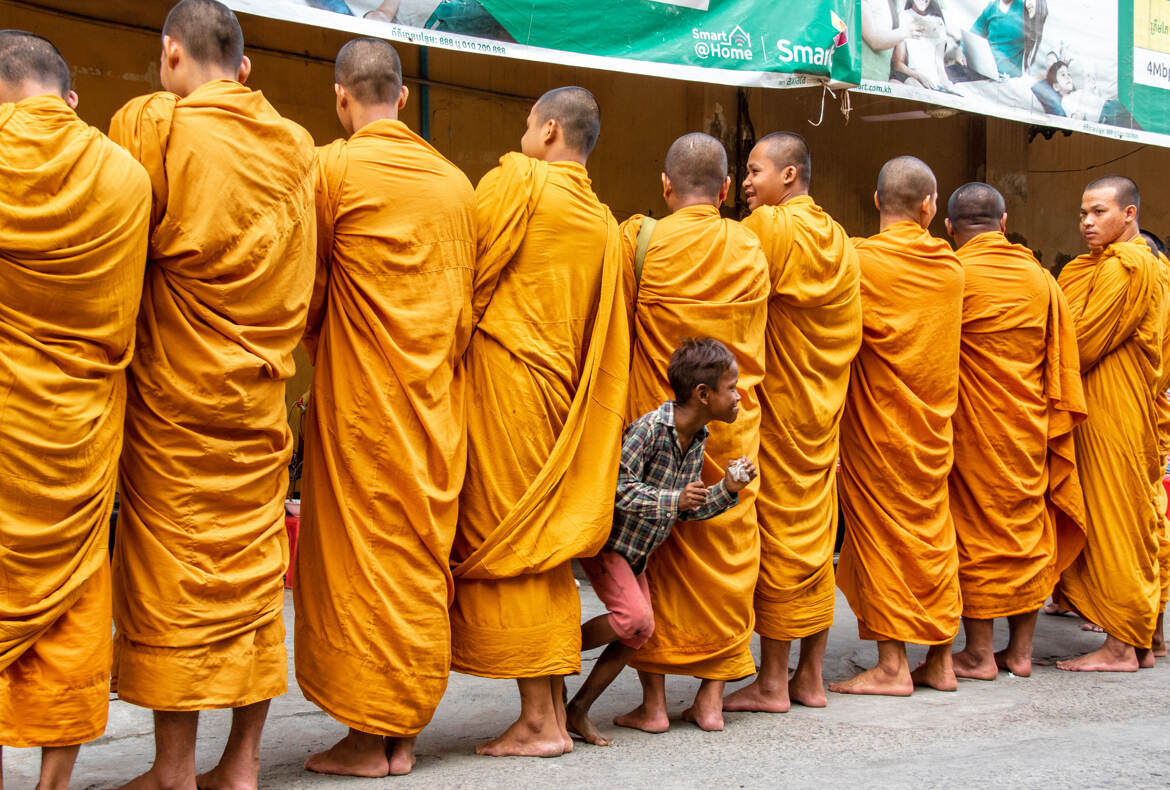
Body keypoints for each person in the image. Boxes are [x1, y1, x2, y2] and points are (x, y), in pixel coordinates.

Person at [107, 1, 317, 787]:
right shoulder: (299, 145)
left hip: (177, 398)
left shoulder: (158, 127)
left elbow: (118, 248)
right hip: (260, 397)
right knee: (256, 575)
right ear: (245, 66)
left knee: (177, 580)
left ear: (171, 55)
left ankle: (172, 768)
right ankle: (243, 764)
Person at [292, 39, 475, 778]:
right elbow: (463, 311)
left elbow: (306, 287)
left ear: (342, 98)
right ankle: (402, 735)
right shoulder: (456, 184)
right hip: (434, 405)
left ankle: (369, 742)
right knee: (414, 561)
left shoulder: (330, 169)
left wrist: (329, 346)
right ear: (402, 98)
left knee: (363, 565)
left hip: (362, 405)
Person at [449, 86, 629, 758]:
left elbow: (460, 272)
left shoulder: (517, 182)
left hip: (506, 386)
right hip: (561, 401)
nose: (523, 137)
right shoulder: (605, 222)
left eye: (529, 126)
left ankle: (535, 722)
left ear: (550, 130)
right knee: (542, 546)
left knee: (515, 548)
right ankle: (550, 713)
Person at [0, 30, 149, 790]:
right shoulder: (125, 174)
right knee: (74, 610)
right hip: (83, 432)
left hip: (6, 430)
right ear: (71, 98)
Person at [607, 133, 768, 734]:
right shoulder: (750, 248)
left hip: (660, 437)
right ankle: (710, 700)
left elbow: (613, 327)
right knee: (728, 557)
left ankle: (652, 704)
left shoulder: (641, 239)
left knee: (654, 557)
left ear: (666, 187)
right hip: (732, 429)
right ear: (727, 190)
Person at [721, 132, 862, 714]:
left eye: (756, 171)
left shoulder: (770, 229)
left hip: (779, 412)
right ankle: (811, 678)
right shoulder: (843, 242)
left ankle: (773, 681)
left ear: (790, 175)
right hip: (822, 411)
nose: (748, 183)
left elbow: (729, 299)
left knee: (780, 541)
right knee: (813, 545)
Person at [566, 338, 757, 746]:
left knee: (637, 634)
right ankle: (551, 655)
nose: (738, 395)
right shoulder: (650, 430)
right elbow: (615, 488)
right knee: (634, 622)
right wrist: (672, 498)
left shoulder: (698, 438)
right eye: (731, 387)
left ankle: (575, 710)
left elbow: (687, 511)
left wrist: (726, 487)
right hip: (611, 546)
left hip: (639, 555)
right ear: (703, 394)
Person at [943, 182, 1087, 680]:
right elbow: (1060, 356)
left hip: (974, 427)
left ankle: (980, 654)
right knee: (1027, 530)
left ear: (949, 229)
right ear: (1004, 225)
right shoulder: (1040, 278)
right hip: (1028, 426)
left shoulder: (954, 274)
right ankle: (1020, 653)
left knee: (975, 533)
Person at [832, 156, 964, 696]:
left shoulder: (858, 262)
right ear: (931, 206)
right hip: (933, 430)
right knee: (933, 535)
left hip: (879, 430)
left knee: (884, 540)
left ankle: (891, 667)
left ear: (875, 198)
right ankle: (941, 661)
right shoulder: (952, 268)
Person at [1054, 176, 1167, 672]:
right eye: (1083, 213)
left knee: (1117, 519)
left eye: (1099, 212)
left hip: (1110, 409)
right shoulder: (1123, 266)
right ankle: (1144, 640)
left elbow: (1077, 344)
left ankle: (1121, 646)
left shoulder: (1129, 266)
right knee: (1136, 516)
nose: (1087, 222)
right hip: (1129, 405)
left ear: (1130, 214)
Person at [971, 0, 1026, 78]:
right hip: (985, 67)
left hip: (1008, 76)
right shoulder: (992, 7)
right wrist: (962, 49)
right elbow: (976, 31)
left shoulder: (1025, 10)